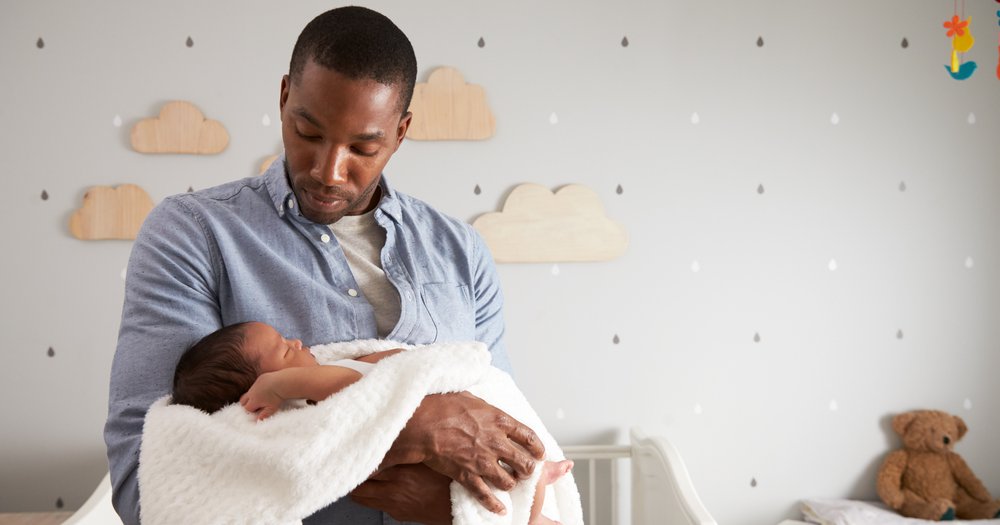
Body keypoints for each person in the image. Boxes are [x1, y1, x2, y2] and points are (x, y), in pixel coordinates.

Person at [104, 6, 544, 525]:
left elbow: (508, 429)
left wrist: (442, 509)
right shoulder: (195, 234)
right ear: (284, 97)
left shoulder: (461, 252)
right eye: (308, 133)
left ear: (400, 132)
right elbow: (148, 484)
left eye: (363, 147)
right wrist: (414, 425)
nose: (329, 171)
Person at [170, 321, 574, 525]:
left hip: (468, 423)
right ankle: (536, 505)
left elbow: (382, 378)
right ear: (259, 391)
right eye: (283, 351)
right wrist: (285, 383)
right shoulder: (304, 402)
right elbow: (356, 386)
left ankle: (537, 492)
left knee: (507, 471)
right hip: (437, 469)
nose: (296, 342)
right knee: (505, 490)